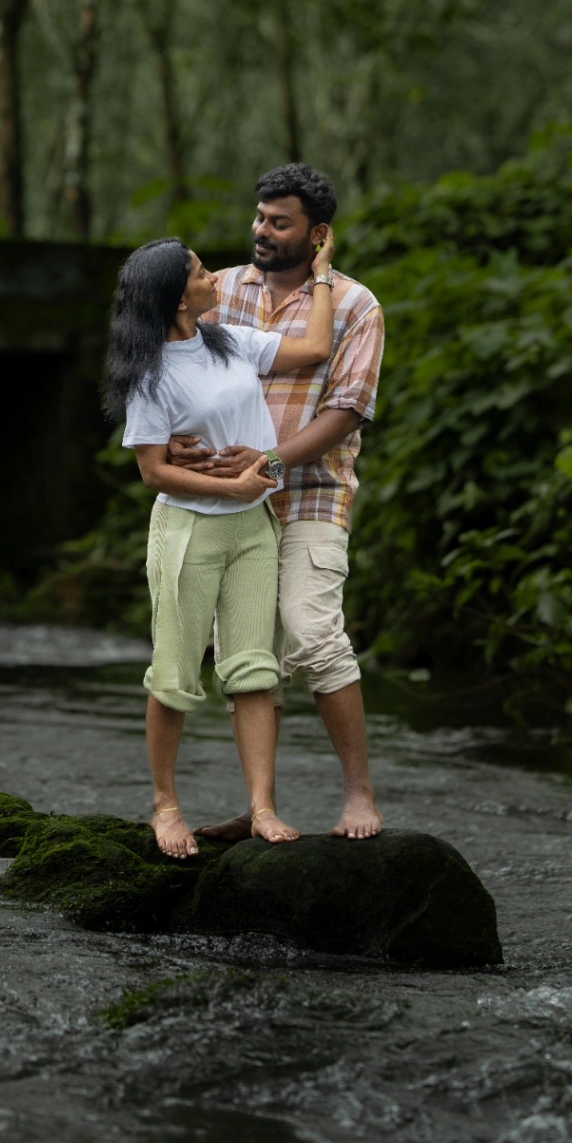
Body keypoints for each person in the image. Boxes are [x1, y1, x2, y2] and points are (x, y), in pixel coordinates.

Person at [168, 163, 385, 840]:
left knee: (314, 635)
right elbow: (173, 365)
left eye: (279, 222)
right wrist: (177, 444)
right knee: (246, 656)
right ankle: (261, 807)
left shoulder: (355, 306)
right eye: (259, 218)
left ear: (317, 234)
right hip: (228, 501)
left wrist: (269, 460)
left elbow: (349, 410)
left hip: (312, 495)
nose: (261, 231)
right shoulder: (219, 290)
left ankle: (359, 796)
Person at [107, 229, 337, 859]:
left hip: (253, 529)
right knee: (176, 673)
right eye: (203, 272)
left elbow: (315, 347)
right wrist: (230, 490)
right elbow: (153, 471)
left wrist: (321, 274)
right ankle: (165, 806)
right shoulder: (151, 372)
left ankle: (262, 808)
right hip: (187, 529)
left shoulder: (228, 340)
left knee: (253, 672)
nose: (215, 279)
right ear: (179, 297)